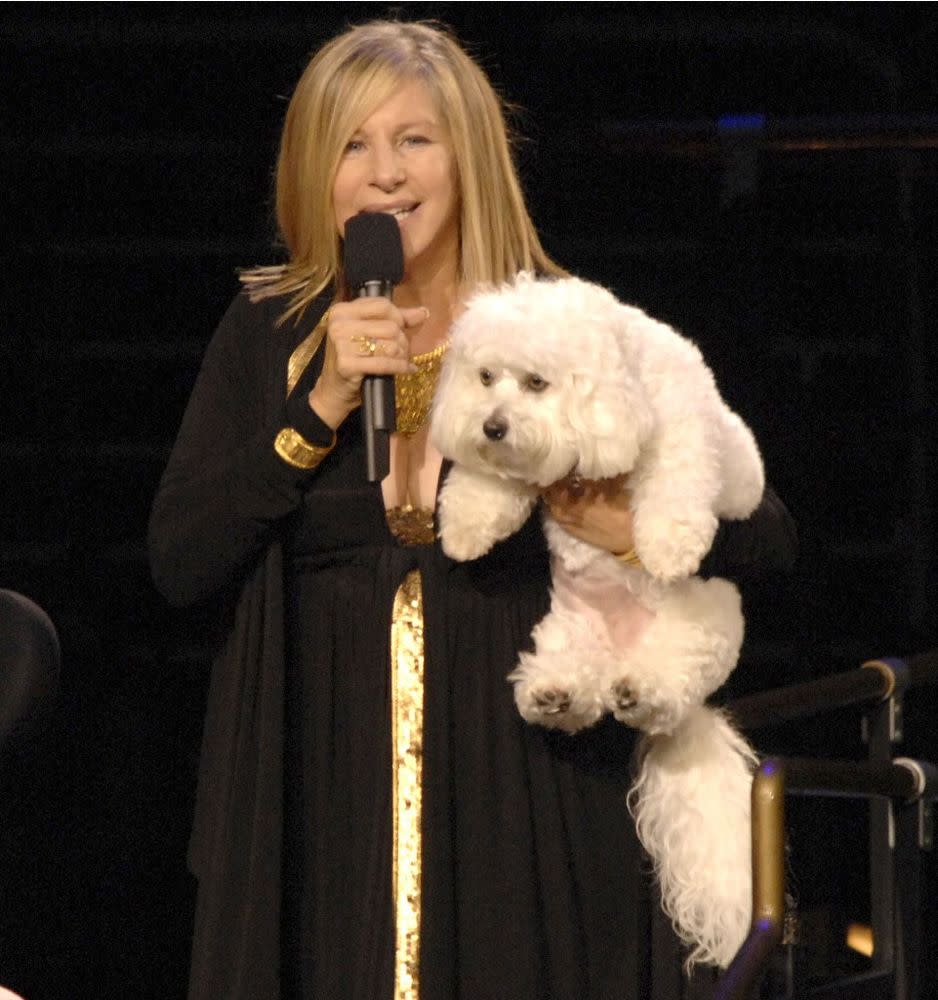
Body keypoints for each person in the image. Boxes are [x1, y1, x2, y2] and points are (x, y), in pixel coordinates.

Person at [148, 19, 796, 1000]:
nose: (382, 174)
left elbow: (765, 531)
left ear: (467, 158)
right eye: (351, 145)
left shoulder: (558, 325)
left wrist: (632, 532)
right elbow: (181, 558)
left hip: (526, 803)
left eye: (413, 140)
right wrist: (317, 405)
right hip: (325, 794)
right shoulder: (269, 333)